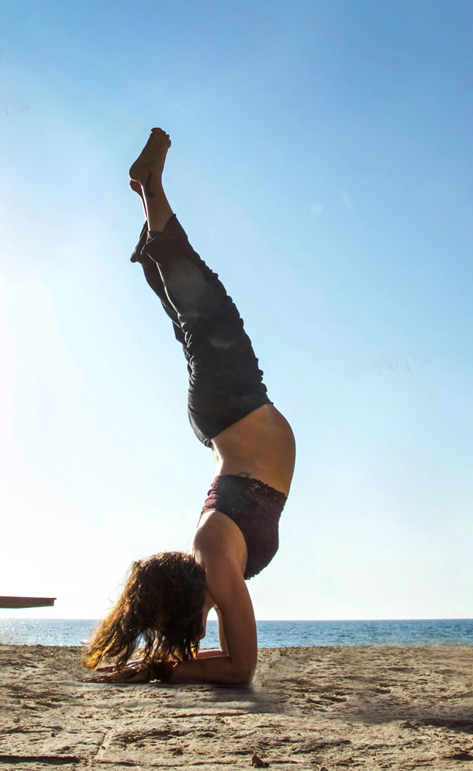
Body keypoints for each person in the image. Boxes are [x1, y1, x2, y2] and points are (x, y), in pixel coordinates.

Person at [82, 129, 296, 685]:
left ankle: (152, 195)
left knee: (206, 314)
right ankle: (152, 235)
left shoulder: (214, 557)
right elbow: (234, 666)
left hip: (234, 415)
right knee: (193, 322)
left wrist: (149, 672)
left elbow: (238, 669)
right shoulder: (215, 564)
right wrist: (153, 668)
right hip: (228, 422)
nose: (186, 635)